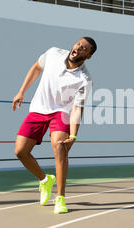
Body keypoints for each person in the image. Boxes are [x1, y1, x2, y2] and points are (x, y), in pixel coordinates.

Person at [12, 37, 96, 214]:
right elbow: (36, 68)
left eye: (84, 48)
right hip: (38, 109)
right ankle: (44, 180)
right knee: (20, 151)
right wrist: (21, 92)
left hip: (61, 112)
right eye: (78, 44)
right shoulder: (53, 53)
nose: (79, 48)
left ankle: (60, 198)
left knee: (59, 147)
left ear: (88, 56)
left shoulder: (85, 80)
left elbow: (77, 109)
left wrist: (73, 136)